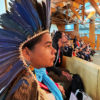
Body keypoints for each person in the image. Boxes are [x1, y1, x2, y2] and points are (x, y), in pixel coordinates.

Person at [0, 0, 63, 100]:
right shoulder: (25, 86)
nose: (54, 50)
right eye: (48, 46)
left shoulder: (28, 73)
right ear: (27, 53)